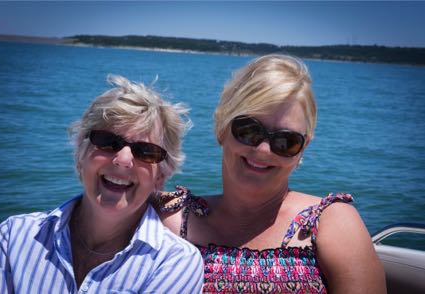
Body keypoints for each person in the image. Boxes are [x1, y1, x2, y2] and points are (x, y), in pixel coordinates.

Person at [156, 55, 386, 293]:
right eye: (248, 130)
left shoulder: (332, 223)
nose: (263, 150)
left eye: (286, 141)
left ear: (303, 148)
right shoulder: (169, 216)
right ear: (221, 128)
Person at [0, 74, 204, 293]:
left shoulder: (175, 263)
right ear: (81, 153)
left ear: (160, 177)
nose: (123, 160)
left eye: (145, 152)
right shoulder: (14, 237)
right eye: (108, 142)